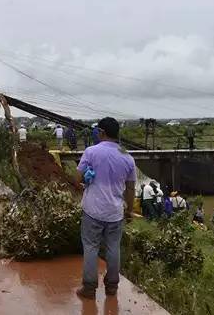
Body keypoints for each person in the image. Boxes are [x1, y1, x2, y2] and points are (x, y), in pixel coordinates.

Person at [76, 117, 136, 300]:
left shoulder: (91, 152)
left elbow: (77, 178)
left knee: (91, 247)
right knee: (113, 248)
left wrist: (87, 178)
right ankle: (112, 287)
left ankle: (89, 288)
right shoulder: (127, 155)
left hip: (92, 210)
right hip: (115, 212)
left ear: (101, 132)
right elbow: (131, 187)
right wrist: (129, 210)